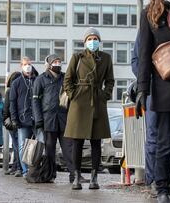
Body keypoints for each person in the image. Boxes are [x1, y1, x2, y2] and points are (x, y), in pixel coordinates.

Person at [136, 1, 170, 201]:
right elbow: (144, 55)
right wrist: (143, 88)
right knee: (164, 141)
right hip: (164, 87)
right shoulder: (148, 14)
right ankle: (162, 188)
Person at [131, 32, 170, 198]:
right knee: (154, 136)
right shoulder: (148, 29)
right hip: (154, 90)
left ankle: (166, 181)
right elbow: (136, 62)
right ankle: (153, 180)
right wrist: (149, 80)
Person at [64, 27, 114, 190]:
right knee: (77, 142)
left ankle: (94, 177)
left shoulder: (106, 58)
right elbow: (68, 79)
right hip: (79, 103)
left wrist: (104, 95)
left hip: (97, 101)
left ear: (99, 41)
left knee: (96, 142)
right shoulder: (77, 57)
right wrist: (73, 96)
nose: (93, 41)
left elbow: (110, 80)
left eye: (95, 38)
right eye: (89, 39)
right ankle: (77, 176)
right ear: (85, 42)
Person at [33, 54, 75, 182]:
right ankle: (50, 174)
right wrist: (38, 119)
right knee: (50, 148)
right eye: (55, 62)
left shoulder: (65, 78)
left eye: (59, 61)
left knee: (69, 147)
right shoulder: (41, 79)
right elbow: (35, 101)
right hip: (48, 119)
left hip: (63, 118)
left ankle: (74, 174)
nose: (57, 64)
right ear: (49, 64)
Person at [9, 56, 39, 177]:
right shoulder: (16, 83)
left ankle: (36, 169)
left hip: (37, 119)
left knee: (40, 144)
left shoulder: (37, 80)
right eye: (25, 64)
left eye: (29, 63)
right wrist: (14, 119)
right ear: (21, 66)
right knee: (22, 146)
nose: (28, 66)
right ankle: (25, 170)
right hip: (22, 119)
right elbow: (12, 102)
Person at [3, 71, 22, 177]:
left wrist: (5, 120)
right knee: (18, 145)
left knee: (16, 146)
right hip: (18, 121)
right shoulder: (20, 90)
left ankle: (17, 167)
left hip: (12, 121)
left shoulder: (9, 91)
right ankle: (16, 166)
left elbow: (6, 108)